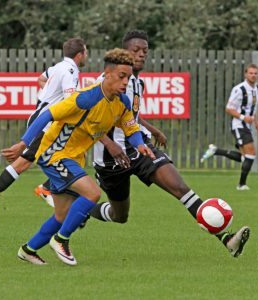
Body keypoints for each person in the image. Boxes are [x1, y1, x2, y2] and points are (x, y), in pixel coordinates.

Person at [87, 30, 250, 258]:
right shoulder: (104, 82)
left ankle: (226, 239)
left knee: (181, 189)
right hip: (109, 159)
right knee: (119, 215)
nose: (141, 54)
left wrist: (152, 129)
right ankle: (82, 209)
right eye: (136, 50)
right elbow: (87, 119)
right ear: (124, 52)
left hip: (140, 147)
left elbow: (130, 115)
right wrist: (110, 144)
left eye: (145, 50)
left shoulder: (137, 83)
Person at [14, 48, 155, 265]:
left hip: (74, 157)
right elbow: (47, 115)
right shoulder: (86, 99)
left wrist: (140, 145)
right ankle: (61, 240)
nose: (126, 82)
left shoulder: (122, 102)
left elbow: (130, 128)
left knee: (61, 215)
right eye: (121, 76)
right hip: (54, 153)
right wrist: (24, 143)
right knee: (92, 193)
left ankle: (28, 249)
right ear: (107, 73)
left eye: (128, 77)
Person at [0, 37, 87, 219]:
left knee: (68, 154)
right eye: (86, 52)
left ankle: (46, 188)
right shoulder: (70, 70)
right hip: (46, 122)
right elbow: (71, 101)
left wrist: (49, 94)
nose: (86, 56)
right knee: (23, 163)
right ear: (79, 54)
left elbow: (41, 79)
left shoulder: (59, 67)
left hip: (47, 119)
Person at [201, 64, 258, 190]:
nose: (253, 75)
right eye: (251, 73)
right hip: (239, 125)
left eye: (255, 73)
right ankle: (241, 185)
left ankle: (216, 151)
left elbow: (252, 109)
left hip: (248, 126)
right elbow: (229, 109)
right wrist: (244, 118)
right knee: (251, 154)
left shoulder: (257, 89)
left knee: (245, 157)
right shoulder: (239, 89)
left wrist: (256, 122)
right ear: (246, 74)